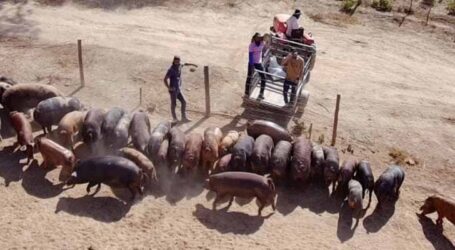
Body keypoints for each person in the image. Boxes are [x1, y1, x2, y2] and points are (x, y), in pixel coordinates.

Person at [163, 56, 197, 123]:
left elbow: (185, 64)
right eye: (176, 61)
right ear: (174, 61)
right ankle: (174, 119)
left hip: (178, 89)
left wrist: (193, 64)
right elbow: (165, 79)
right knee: (174, 104)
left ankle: (184, 118)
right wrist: (169, 87)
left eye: (178, 61)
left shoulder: (180, 65)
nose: (177, 63)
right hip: (173, 90)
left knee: (184, 102)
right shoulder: (171, 70)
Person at [244, 32, 267, 100]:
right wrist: (252, 66)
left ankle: (261, 94)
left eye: (260, 37)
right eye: (257, 37)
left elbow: (267, 44)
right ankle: (246, 93)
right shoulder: (252, 45)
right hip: (252, 63)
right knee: (249, 77)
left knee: (264, 78)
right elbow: (250, 56)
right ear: (255, 38)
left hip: (259, 63)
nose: (259, 38)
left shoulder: (262, 43)